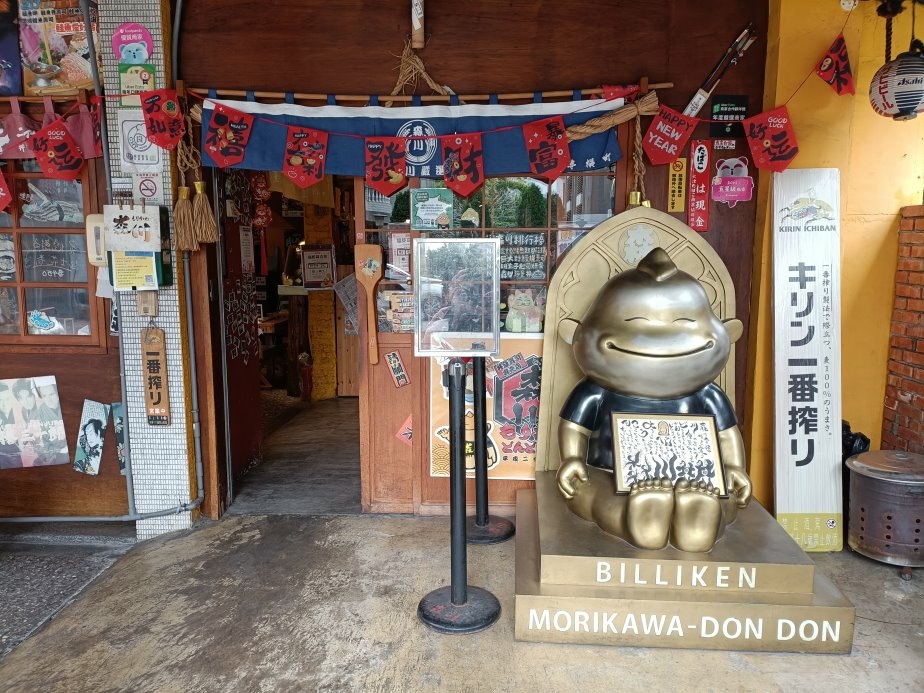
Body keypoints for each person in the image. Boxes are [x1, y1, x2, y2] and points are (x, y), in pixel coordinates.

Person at [33, 381, 68, 466]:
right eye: (44, 396)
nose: (48, 400)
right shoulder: (39, 414)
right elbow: (41, 444)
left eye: (51, 394)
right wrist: (60, 450)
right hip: (55, 454)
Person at [0, 383, 22, 469]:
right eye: (0, 400)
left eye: (7, 399)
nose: (4, 404)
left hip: (18, 456)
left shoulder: (20, 413)